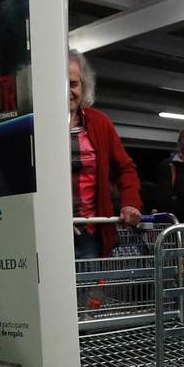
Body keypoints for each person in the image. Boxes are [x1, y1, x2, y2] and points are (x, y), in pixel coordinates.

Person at [68, 50, 142, 260]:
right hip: (46, 231)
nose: (67, 91)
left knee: (90, 283)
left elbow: (125, 168)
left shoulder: (99, 122)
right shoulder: (34, 124)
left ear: (83, 87)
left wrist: (130, 202)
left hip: (89, 233)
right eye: (59, 84)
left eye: (73, 84)